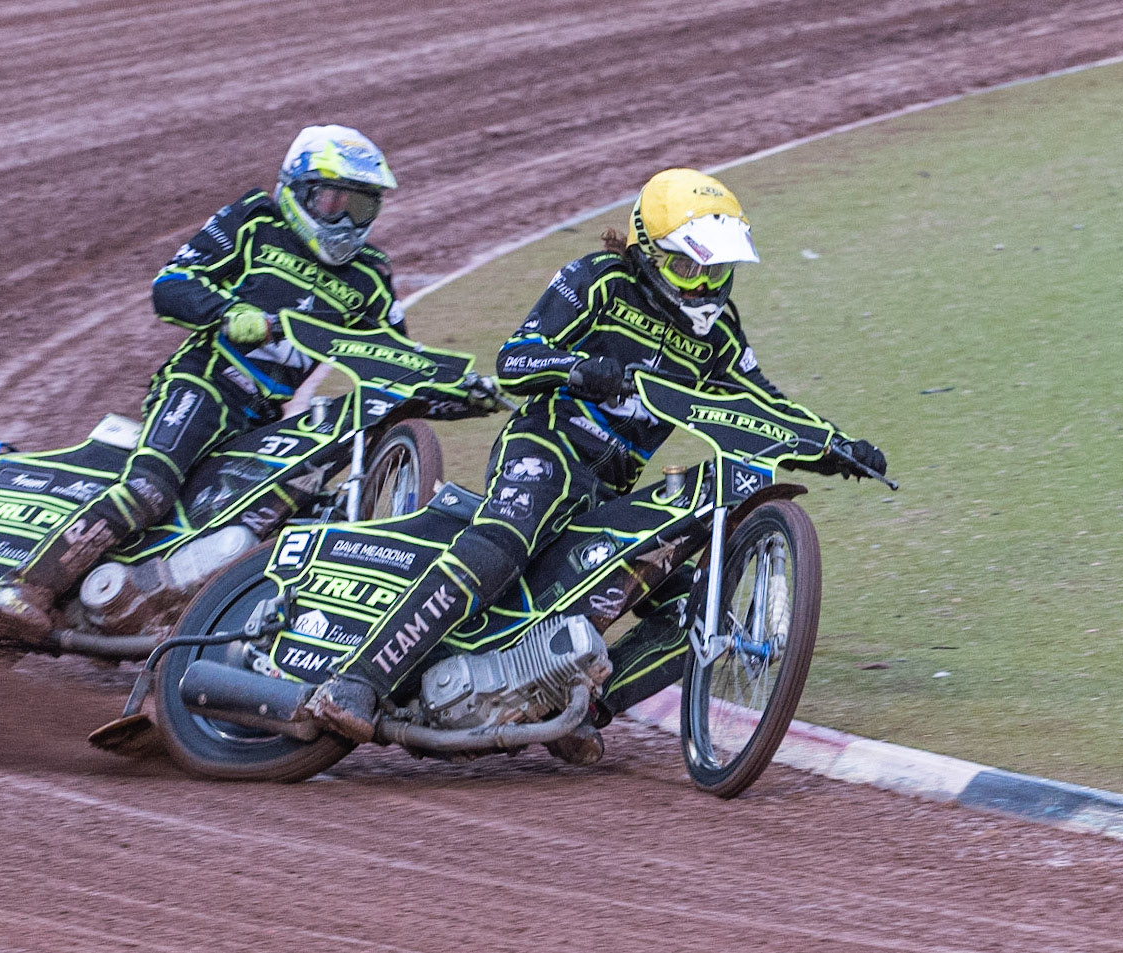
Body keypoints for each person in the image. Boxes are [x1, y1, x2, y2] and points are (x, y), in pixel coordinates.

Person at [306, 168, 887, 759]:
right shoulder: (598, 281)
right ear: (647, 252)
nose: (702, 287)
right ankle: (359, 680)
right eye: (686, 267)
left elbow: (764, 405)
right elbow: (514, 359)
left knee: (690, 607)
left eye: (714, 271)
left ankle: (577, 712)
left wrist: (834, 446)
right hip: (545, 448)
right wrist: (578, 369)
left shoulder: (721, 337)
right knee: (506, 539)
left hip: (611, 490)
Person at [0, 124, 420, 644]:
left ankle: (176, 619)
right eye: (333, 201)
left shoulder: (370, 274)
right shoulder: (254, 220)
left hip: (263, 420)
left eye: (361, 208)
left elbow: (397, 357)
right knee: (150, 489)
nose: (345, 220)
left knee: (272, 518)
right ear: (298, 192)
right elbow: (172, 284)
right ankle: (24, 589)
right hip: (203, 382)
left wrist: (459, 386)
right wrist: (229, 313)